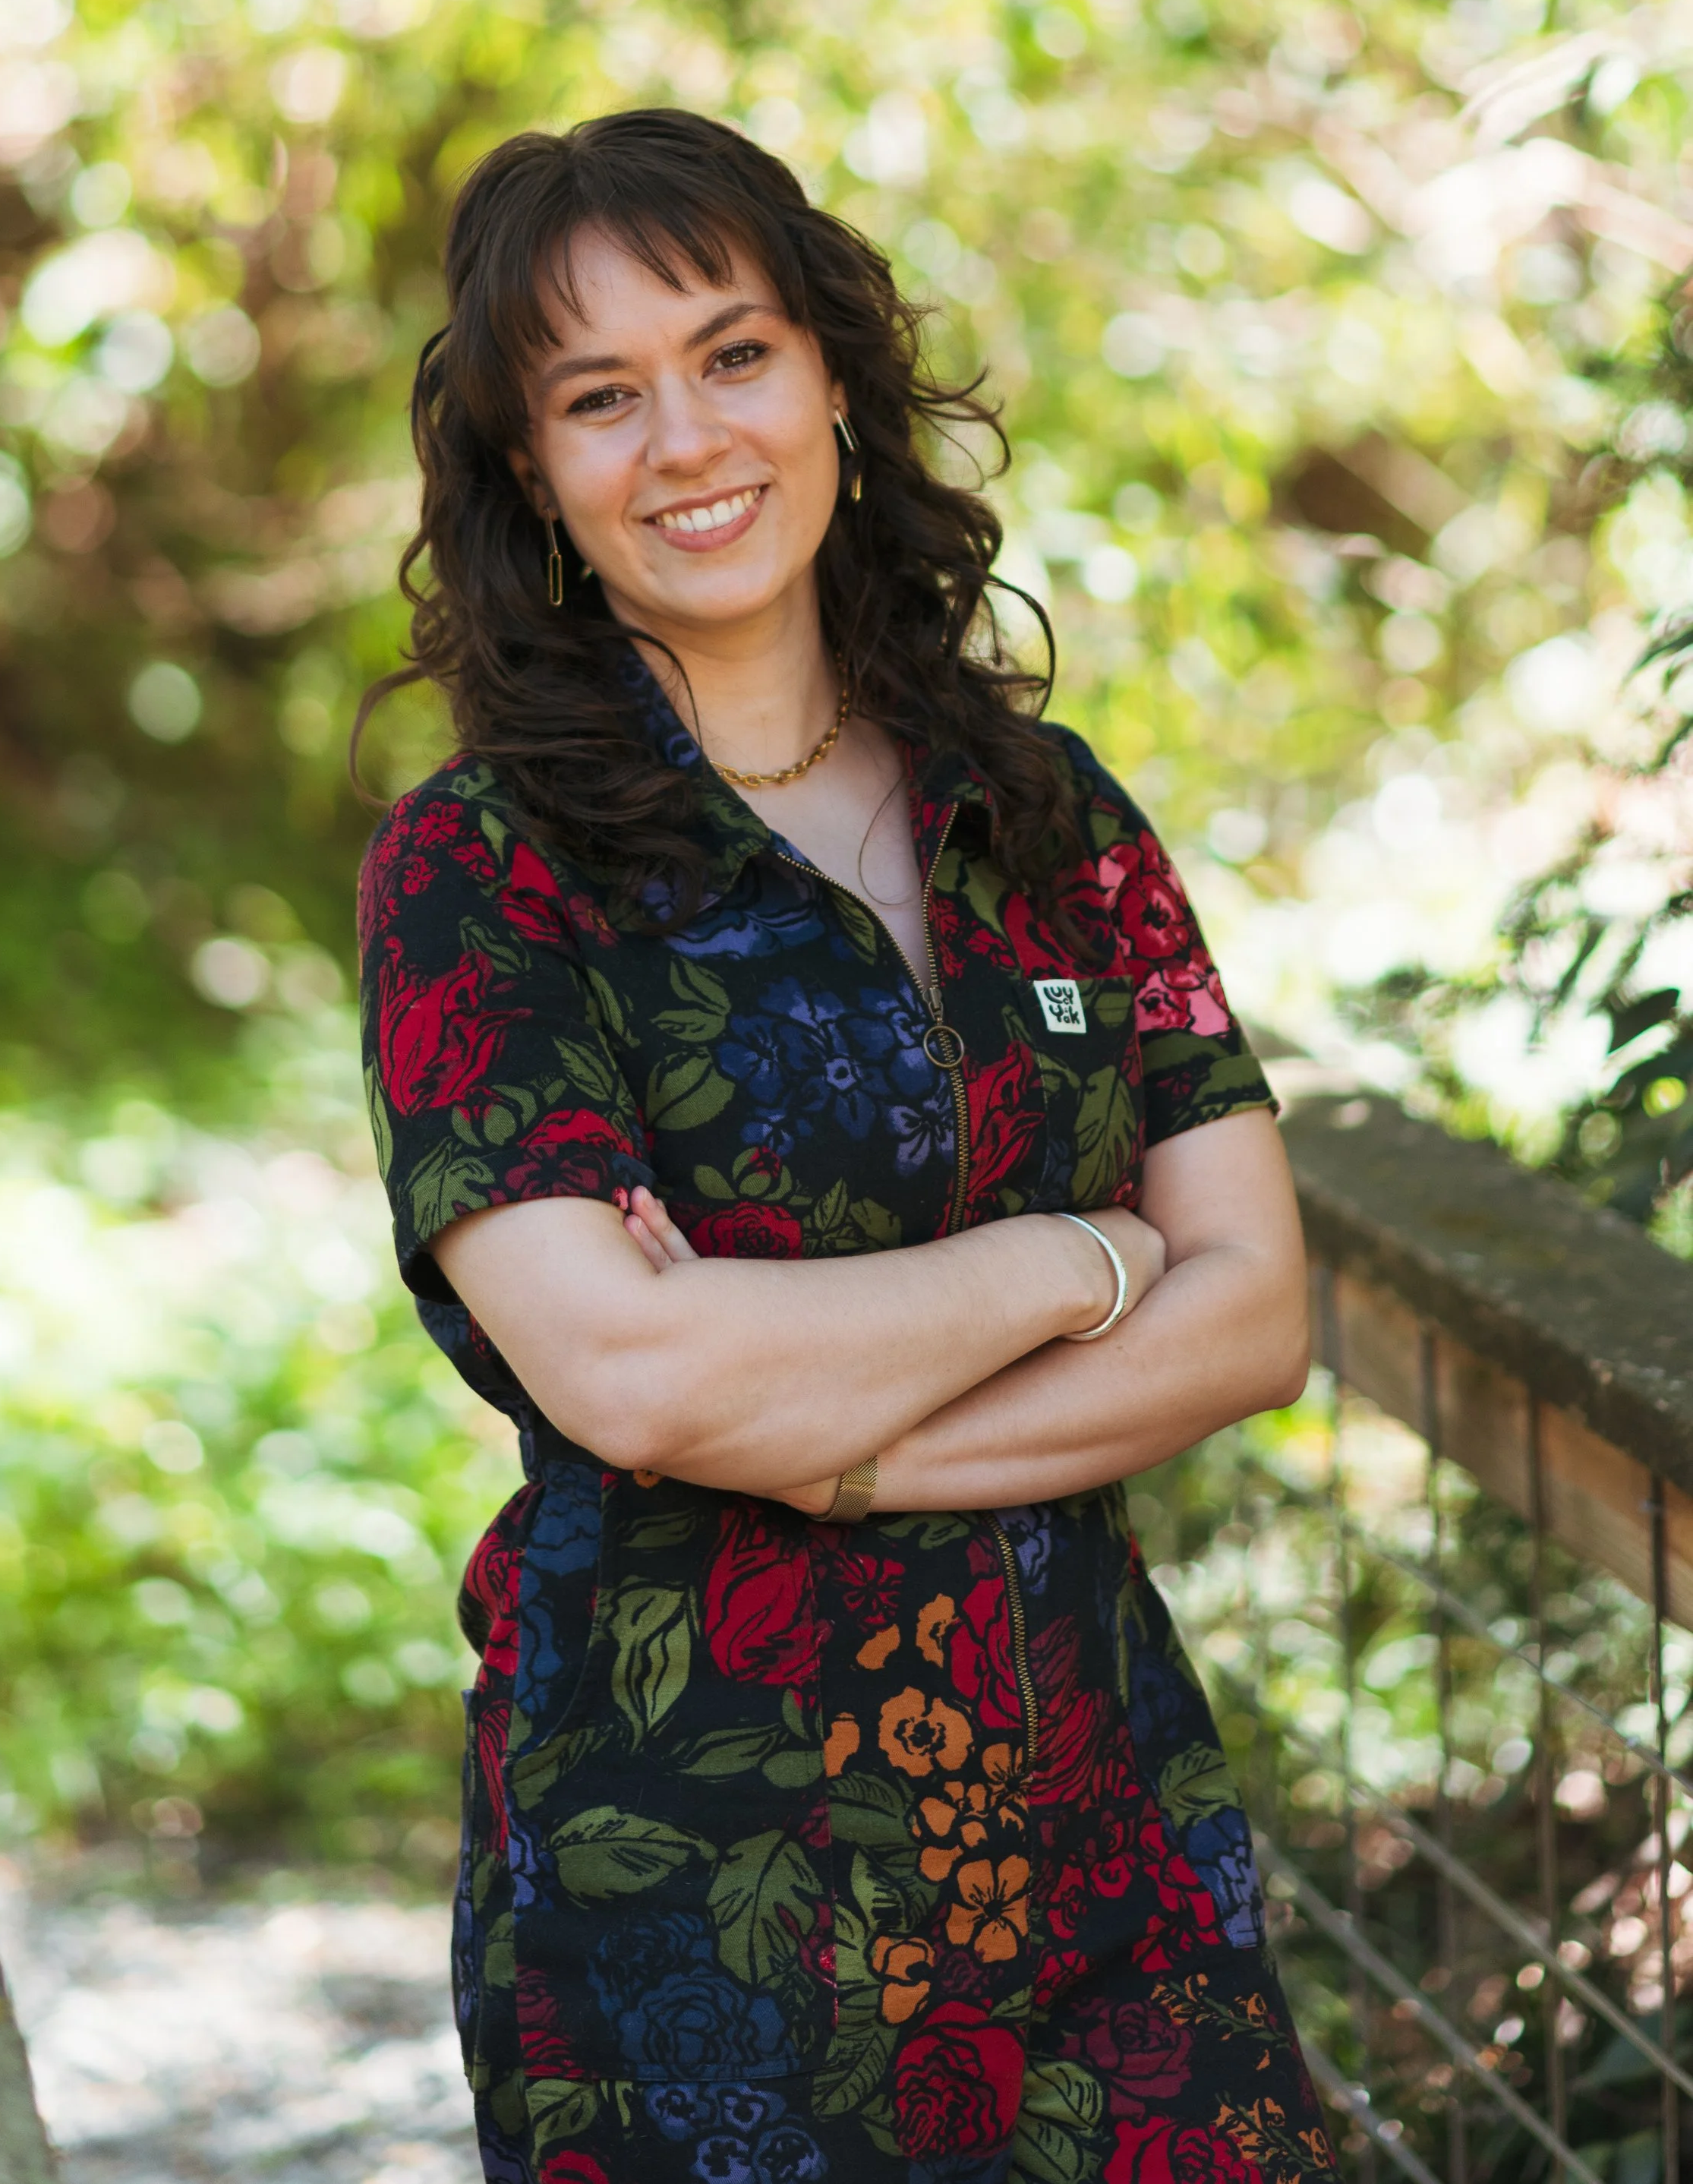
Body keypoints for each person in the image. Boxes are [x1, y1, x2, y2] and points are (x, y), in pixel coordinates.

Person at [356, 109, 1335, 2184]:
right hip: (696, 1886)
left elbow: (1255, 1312)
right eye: (597, 397)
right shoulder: (482, 876)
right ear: (529, 470)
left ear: (830, 379)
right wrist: (1078, 1262)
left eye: (731, 355)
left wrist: (811, 1422)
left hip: (1098, 1824)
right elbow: (625, 1373)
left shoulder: (1052, 814)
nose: (685, 439)